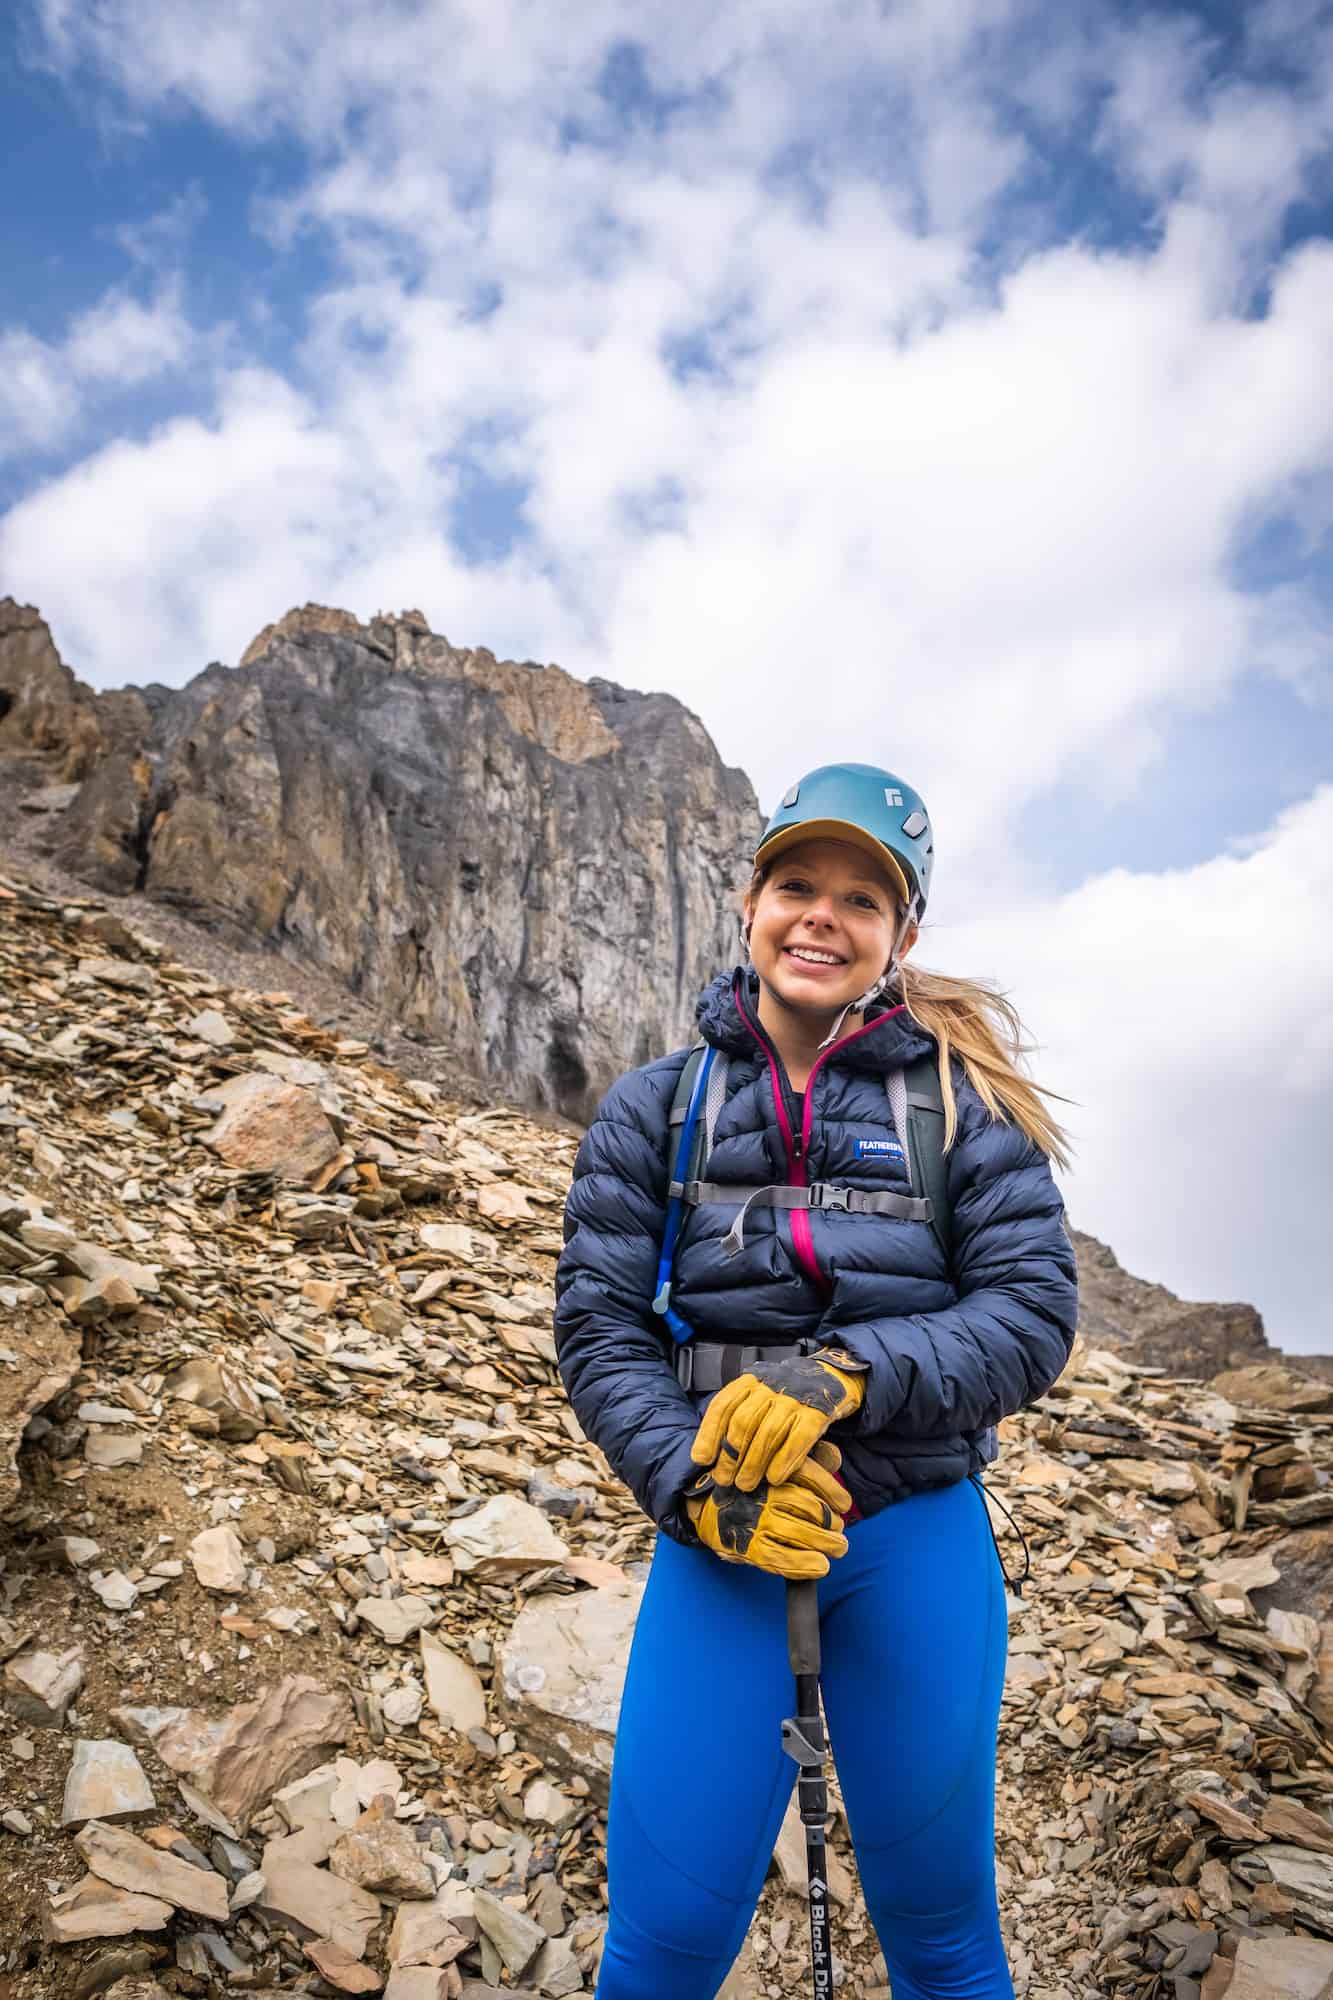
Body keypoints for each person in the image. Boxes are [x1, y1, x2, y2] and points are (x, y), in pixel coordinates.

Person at [555, 762, 1078, 2000]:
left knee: (945, 1942)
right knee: (661, 1949)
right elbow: (600, 1328)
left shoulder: (964, 1106)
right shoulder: (655, 1109)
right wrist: (692, 1484)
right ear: (749, 901)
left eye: (862, 898)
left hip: (916, 1536)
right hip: (722, 1538)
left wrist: (841, 1374)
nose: (821, 916)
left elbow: (1031, 1313)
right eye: (797, 883)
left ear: (902, 935)